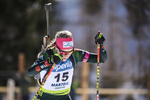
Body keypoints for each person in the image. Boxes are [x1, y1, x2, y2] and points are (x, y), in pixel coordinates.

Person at [28, 30, 107, 100]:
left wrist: (101, 45)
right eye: (63, 52)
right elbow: (31, 72)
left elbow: (101, 59)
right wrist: (48, 62)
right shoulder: (47, 55)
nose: (66, 55)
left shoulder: (75, 54)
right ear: (56, 47)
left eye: (69, 52)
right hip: (45, 97)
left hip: (64, 97)